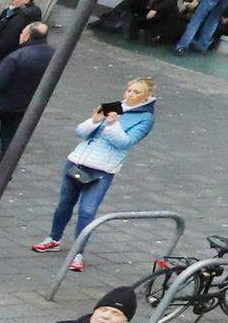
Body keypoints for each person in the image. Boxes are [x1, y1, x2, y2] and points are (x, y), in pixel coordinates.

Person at [35, 78, 160, 258]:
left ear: (147, 96)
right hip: (78, 161)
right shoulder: (115, 106)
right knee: (64, 204)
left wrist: (112, 125)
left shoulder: (145, 118)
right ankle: (53, 238)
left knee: (87, 211)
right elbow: (80, 132)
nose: (130, 95)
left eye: (136, 92)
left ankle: (78, 253)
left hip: (102, 170)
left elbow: (125, 143)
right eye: (129, 90)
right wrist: (94, 121)